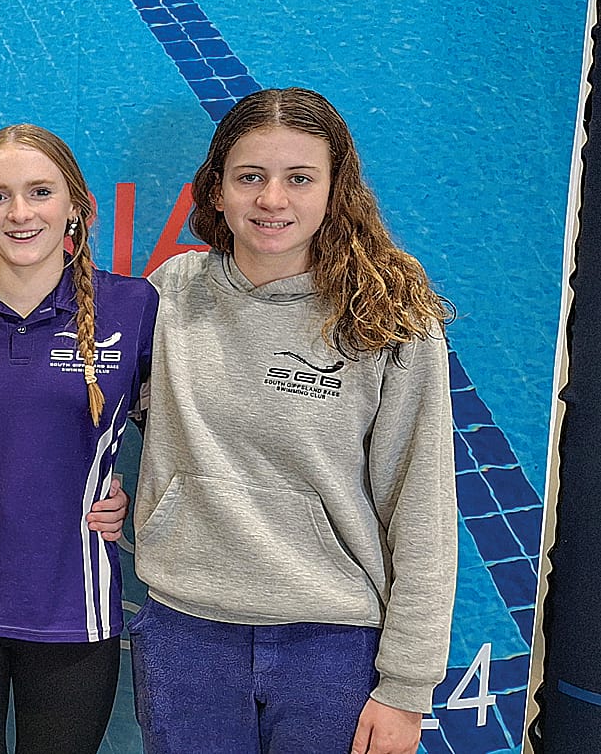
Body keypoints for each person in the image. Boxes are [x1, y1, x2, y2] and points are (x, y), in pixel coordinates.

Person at [126, 88, 455, 754]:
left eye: (298, 178)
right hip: (187, 633)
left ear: (335, 190)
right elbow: (73, 392)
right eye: (250, 177)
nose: (271, 199)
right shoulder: (168, 293)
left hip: (330, 645)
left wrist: (405, 687)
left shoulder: (387, 317)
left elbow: (421, 509)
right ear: (215, 190)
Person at [0, 126, 156, 753]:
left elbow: (181, 433)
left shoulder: (132, 308)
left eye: (40, 192)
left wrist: (134, 495)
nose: (20, 214)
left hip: (75, 608)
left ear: (74, 204)